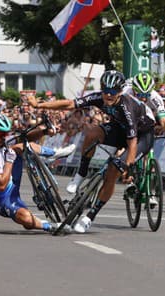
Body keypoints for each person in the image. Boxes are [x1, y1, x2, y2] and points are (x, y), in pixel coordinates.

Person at [27, 70, 155, 233]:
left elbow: (132, 141)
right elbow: (69, 104)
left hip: (142, 135)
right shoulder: (98, 98)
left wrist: (127, 166)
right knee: (92, 134)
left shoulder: (126, 107)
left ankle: (90, 216)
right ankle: (80, 175)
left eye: (113, 92)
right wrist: (39, 105)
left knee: (113, 172)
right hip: (120, 129)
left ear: (120, 91)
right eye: (105, 91)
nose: (108, 95)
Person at [0, 112, 71, 233]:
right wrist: (10, 161)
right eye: (2, 134)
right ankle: (50, 226)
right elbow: (1, 186)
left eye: (6, 134)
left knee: (23, 145)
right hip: (2, 197)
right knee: (26, 219)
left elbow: (25, 137)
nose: (5, 137)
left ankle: (53, 154)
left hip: (10, 180)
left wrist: (44, 132)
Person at [127, 72, 165, 152]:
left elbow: (164, 120)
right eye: (140, 95)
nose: (143, 99)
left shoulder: (155, 96)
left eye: (146, 95)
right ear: (133, 90)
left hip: (146, 116)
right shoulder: (126, 94)